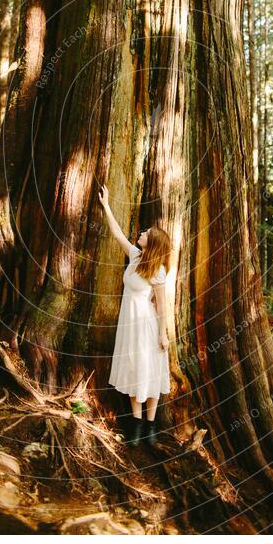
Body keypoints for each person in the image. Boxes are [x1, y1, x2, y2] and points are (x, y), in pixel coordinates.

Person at [98, 184, 171, 447]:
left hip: (148, 325)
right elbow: (116, 233)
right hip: (128, 325)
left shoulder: (158, 270)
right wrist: (106, 205)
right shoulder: (134, 256)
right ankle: (136, 426)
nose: (141, 233)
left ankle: (151, 427)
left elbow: (163, 307)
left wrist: (163, 334)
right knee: (133, 369)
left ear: (153, 242)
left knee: (150, 371)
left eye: (146, 233)